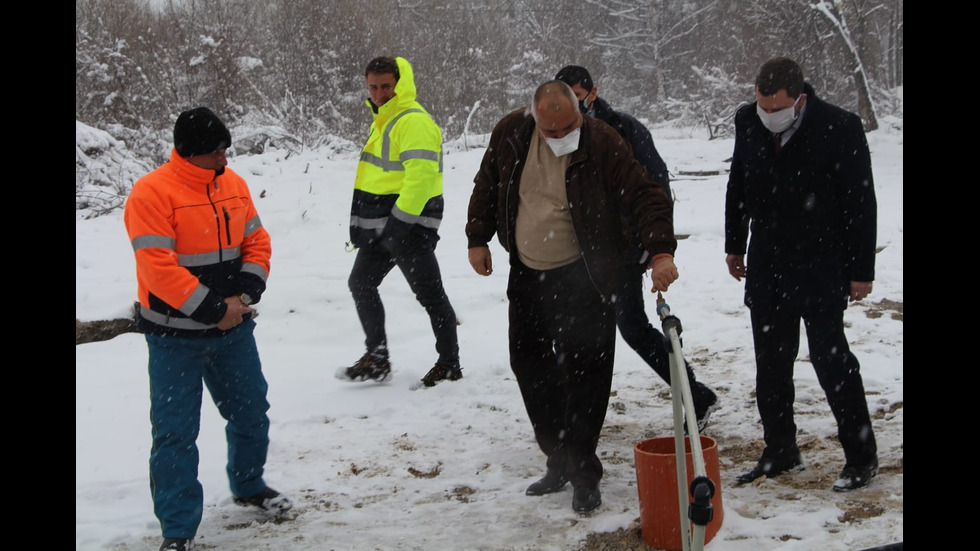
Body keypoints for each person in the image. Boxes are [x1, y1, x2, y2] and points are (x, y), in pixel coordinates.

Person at [466, 80, 678, 513]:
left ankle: (583, 472)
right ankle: (557, 457)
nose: (561, 137)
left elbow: (646, 194)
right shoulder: (511, 132)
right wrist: (477, 237)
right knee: (528, 363)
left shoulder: (602, 141)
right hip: (527, 273)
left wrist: (660, 252)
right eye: (552, 131)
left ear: (580, 112)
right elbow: (488, 183)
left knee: (588, 373)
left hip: (586, 275)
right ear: (535, 117)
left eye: (569, 128)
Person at [124, 107, 293, 551]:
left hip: (233, 332)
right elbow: (159, 270)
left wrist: (246, 295)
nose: (225, 157)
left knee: (251, 412)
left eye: (226, 149)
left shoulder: (233, 184)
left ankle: (249, 486)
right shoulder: (151, 194)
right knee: (176, 434)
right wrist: (215, 308)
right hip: (173, 339)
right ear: (190, 153)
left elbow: (257, 241)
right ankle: (177, 532)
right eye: (216, 151)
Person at [725, 57, 879, 492]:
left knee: (833, 363)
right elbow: (738, 182)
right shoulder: (747, 121)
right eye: (762, 106)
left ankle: (861, 457)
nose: (767, 115)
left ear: (800, 99)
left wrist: (860, 270)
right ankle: (780, 450)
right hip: (768, 262)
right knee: (771, 365)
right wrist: (735, 243)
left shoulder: (839, 126)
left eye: (776, 108)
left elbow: (860, 203)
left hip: (820, 264)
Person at [555, 65, 719, 431]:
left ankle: (695, 395)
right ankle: (570, 410)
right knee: (569, 329)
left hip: (622, 250)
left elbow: (655, 189)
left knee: (632, 327)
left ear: (592, 94)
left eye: (578, 99)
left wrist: (652, 246)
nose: (571, 107)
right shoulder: (552, 134)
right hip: (573, 252)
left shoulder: (625, 129)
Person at [343, 56, 462, 388]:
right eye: (373, 86)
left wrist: (399, 225)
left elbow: (421, 179)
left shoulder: (412, 120)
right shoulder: (384, 120)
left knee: (430, 295)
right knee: (361, 284)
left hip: (408, 227)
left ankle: (450, 364)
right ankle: (377, 358)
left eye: (385, 86)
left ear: (400, 84)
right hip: (384, 227)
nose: (379, 93)